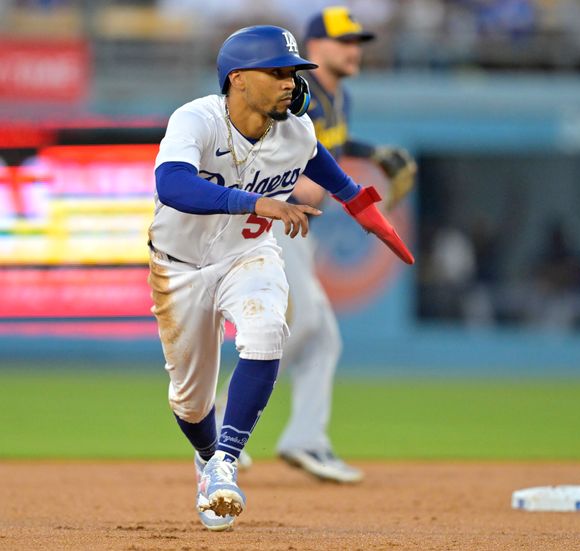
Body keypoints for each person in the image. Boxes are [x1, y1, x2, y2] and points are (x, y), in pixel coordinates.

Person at [148, 24, 413, 531]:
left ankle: (226, 461)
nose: (291, 81)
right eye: (278, 71)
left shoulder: (296, 131)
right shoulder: (197, 120)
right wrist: (257, 201)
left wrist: (372, 218)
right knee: (188, 398)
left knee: (269, 331)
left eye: (294, 71)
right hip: (178, 267)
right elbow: (172, 184)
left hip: (249, 254)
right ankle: (208, 457)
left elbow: (341, 183)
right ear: (239, 79)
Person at [213, 6, 417, 484]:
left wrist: (370, 154)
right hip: (275, 225)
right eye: (344, 42)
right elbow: (272, 146)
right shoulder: (298, 97)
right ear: (315, 48)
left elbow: (326, 150)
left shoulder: (335, 98)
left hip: (295, 231)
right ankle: (221, 428)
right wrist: (293, 185)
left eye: (358, 43)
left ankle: (301, 439)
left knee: (321, 337)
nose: (354, 50)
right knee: (303, 328)